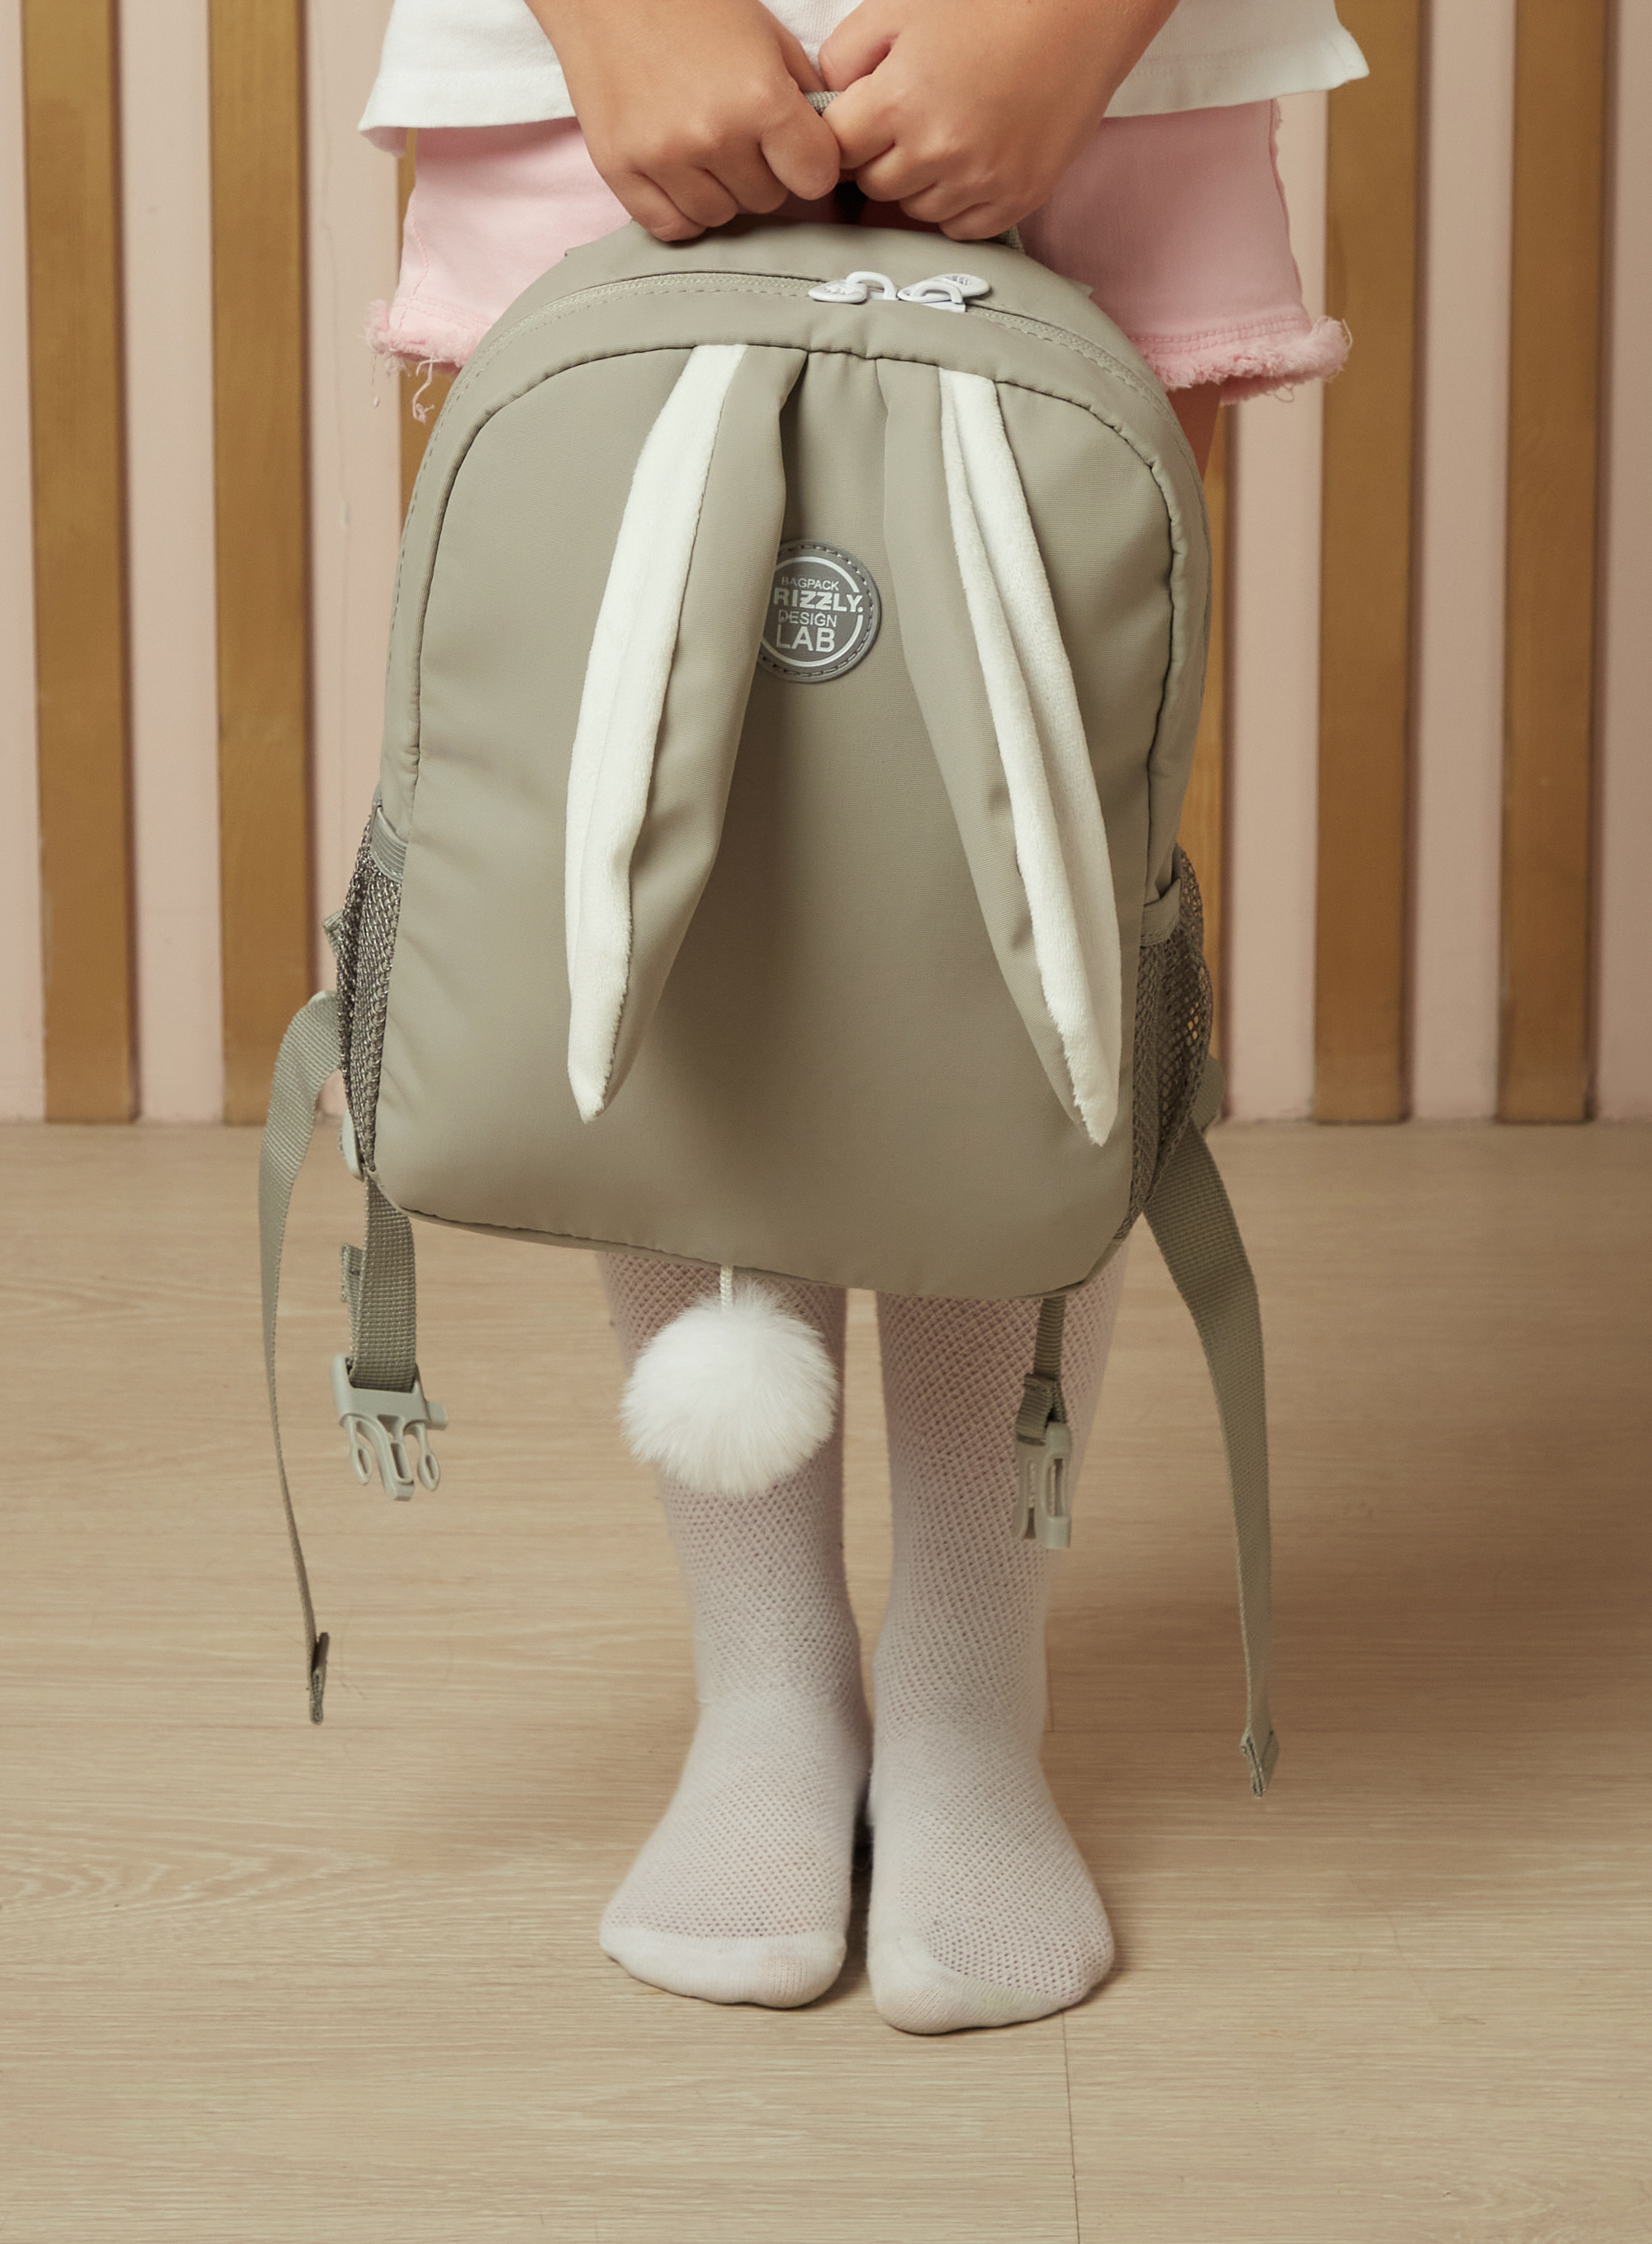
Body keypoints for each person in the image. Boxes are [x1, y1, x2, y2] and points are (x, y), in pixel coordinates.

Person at [359, 0, 1365, 2035]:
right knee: (670, 854)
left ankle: (969, 1691)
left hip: (1089, 60)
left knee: (987, 897)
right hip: (586, 61)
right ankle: (764, 1687)